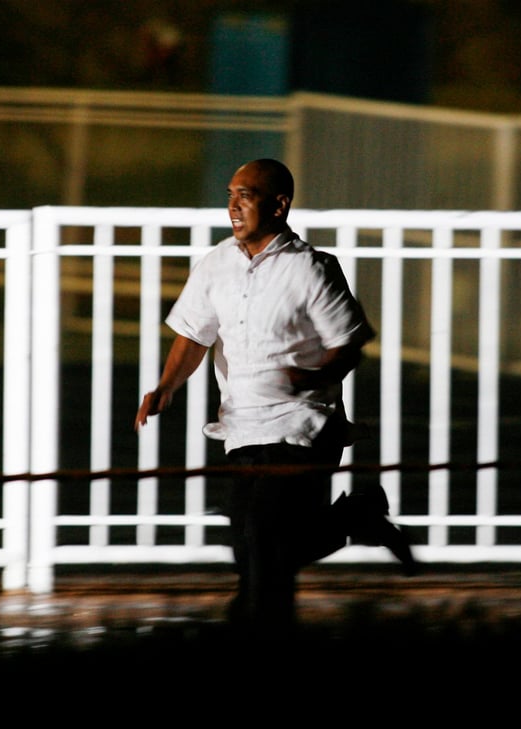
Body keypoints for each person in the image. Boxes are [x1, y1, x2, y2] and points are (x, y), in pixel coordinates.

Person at [134, 158, 416, 637]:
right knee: (250, 546)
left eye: (246, 195)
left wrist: (310, 380)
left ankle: (253, 631)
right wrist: (166, 387)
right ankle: (355, 518)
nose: (233, 206)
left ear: (279, 205)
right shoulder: (217, 264)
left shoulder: (311, 268)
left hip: (304, 424)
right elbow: (193, 337)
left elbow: (349, 343)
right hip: (241, 424)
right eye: (230, 194)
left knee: (263, 536)